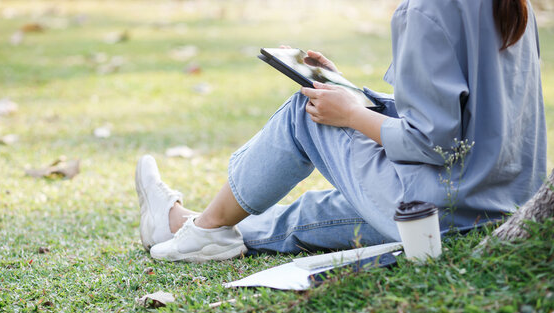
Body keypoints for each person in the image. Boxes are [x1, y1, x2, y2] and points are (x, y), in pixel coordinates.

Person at [135, 0, 546, 262]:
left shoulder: (424, 9)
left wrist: (350, 114)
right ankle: (180, 224)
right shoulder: (512, 6)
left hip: (431, 211)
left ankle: (207, 230)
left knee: (304, 109)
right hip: (494, 210)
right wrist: (352, 94)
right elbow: (460, 121)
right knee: (317, 214)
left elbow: (432, 142)